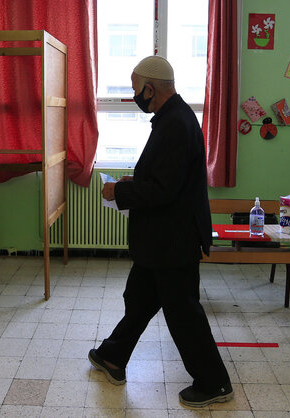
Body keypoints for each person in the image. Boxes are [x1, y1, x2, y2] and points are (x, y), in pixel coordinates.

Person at [88, 56, 233, 408]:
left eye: (136, 89)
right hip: (162, 237)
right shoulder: (172, 119)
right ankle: (113, 356)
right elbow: (166, 179)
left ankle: (214, 382)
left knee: (183, 313)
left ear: (150, 88)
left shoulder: (175, 125)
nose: (135, 95)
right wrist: (133, 182)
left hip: (172, 239)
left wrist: (119, 192)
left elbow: (164, 190)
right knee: (139, 299)